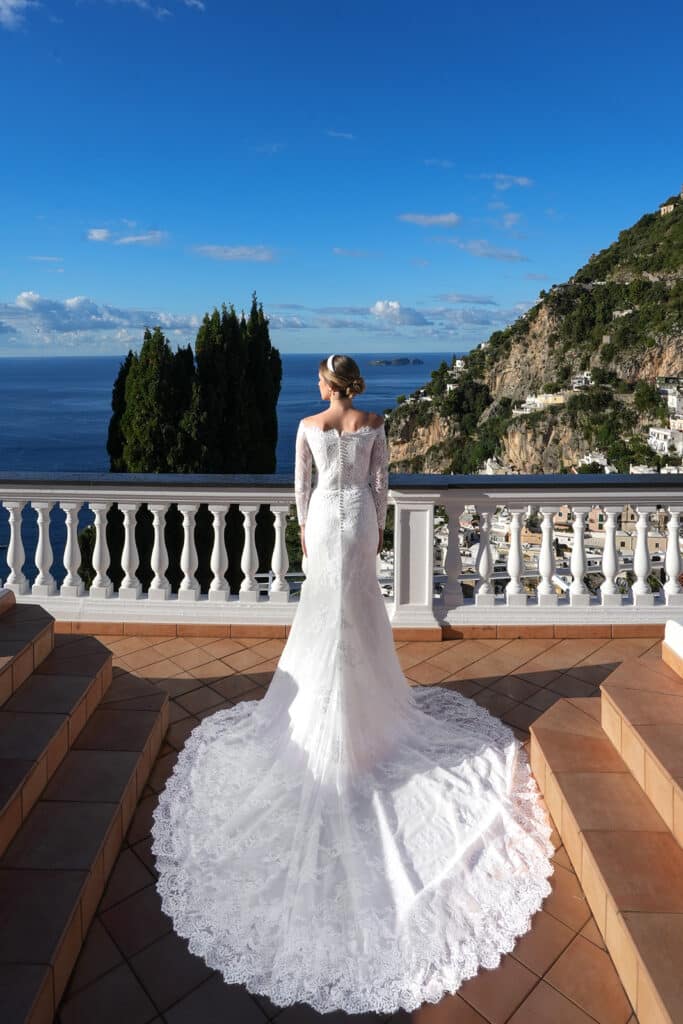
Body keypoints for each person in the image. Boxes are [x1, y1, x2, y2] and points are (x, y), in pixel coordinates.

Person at [151, 353, 553, 1016]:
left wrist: (310, 535)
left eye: (319, 378)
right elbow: (380, 485)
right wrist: (370, 529)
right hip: (360, 523)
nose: (317, 386)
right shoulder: (374, 422)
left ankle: (337, 720)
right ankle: (371, 719)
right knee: (359, 616)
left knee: (326, 617)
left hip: (325, 523)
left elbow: (300, 490)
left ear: (326, 383)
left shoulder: (308, 426)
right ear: (353, 385)